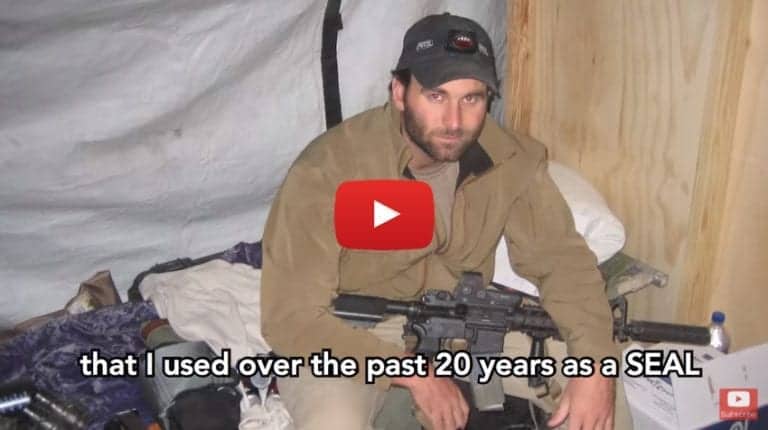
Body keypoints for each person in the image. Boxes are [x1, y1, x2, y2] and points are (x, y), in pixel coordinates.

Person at [261, 13, 618, 430]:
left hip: (467, 323)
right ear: (399, 92)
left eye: (472, 99)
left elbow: (561, 262)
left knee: (608, 386)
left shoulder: (512, 160)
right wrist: (414, 373)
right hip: (352, 333)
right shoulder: (328, 170)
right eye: (436, 96)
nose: (454, 121)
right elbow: (291, 317)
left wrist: (596, 364)